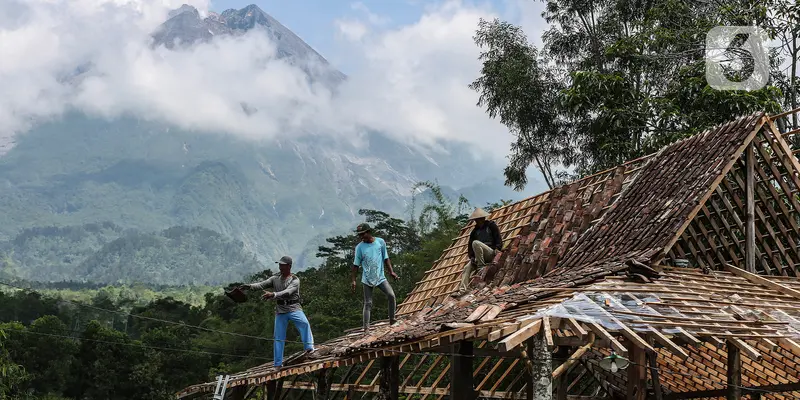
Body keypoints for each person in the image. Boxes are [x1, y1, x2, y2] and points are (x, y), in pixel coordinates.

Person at [240, 255, 314, 369]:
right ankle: (278, 363)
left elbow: (287, 292)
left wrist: (273, 295)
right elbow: (261, 284)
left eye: (283, 265)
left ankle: (309, 349)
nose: (280, 267)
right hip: (281, 310)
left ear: (289, 266)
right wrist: (249, 286)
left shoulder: (295, 280)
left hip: (294, 308)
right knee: (278, 337)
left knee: (304, 324)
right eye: (279, 265)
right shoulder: (275, 278)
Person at [351, 223, 400, 334]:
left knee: (391, 296)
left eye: (363, 234)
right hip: (367, 279)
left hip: (380, 277)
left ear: (368, 232)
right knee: (368, 303)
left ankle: (392, 319)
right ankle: (366, 328)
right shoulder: (359, 248)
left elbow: (386, 258)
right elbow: (355, 265)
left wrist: (391, 271)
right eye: (360, 235)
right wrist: (353, 280)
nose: (361, 237)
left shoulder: (380, 242)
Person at [457, 208, 503, 294]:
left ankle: (480, 267)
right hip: (479, 257)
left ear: (483, 218)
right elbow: (470, 248)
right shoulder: (474, 232)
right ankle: (462, 290)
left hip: (490, 253)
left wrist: (497, 248)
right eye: (476, 220)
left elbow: (498, 239)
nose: (477, 221)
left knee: (476, 243)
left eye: (478, 219)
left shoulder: (491, 226)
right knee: (466, 268)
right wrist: (472, 257)